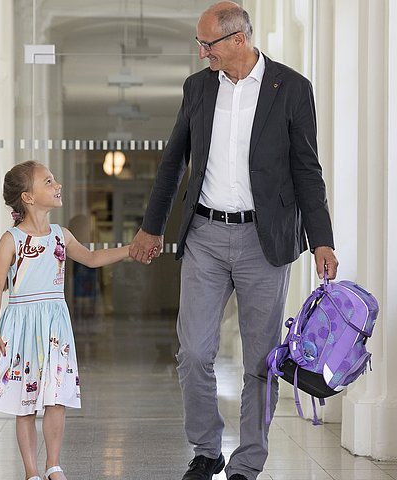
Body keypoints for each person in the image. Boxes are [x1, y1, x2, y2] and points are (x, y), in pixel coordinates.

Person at [129, 3, 339, 480]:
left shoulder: (292, 89)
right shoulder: (198, 88)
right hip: (203, 233)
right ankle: (206, 449)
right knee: (194, 352)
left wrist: (321, 239)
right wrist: (152, 225)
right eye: (201, 45)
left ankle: (248, 462)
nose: (202, 53)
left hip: (264, 241)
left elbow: (308, 170)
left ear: (238, 39)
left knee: (260, 361)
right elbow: (173, 162)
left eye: (209, 44)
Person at [0, 161, 130, 480]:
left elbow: (92, 258)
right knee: (26, 402)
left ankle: (53, 464)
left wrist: (130, 249)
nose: (57, 184)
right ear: (28, 197)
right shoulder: (11, 240)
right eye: (48, 181)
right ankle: (31, 470)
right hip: (22, 327)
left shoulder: (61, 235)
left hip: (55, 327)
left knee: (56, 397)